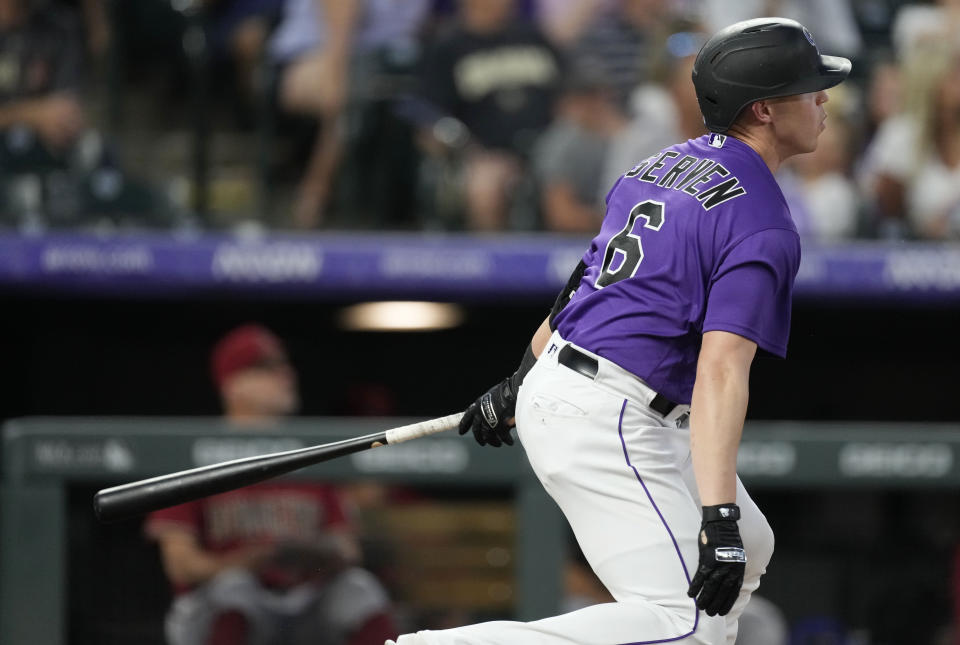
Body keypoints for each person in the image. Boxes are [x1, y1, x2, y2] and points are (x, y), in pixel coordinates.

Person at [391, 17, 849, 645]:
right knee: (682, 622)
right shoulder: (763, 219)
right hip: (610, 415)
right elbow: (721, 370)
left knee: (750, 548)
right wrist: (715, 517)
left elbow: (588, 283)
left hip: (595, 389)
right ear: (764, 109)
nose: (824, 98)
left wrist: (522, 378)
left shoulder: (661, 164)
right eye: (809, 88)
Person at [146, 324, 397, 645]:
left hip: (300, 603)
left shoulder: (307, 451)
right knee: (235, 589)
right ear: (232, 384)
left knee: (357, 588)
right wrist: (245, 560)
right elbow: (179, 564)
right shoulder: (197, 451)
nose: (286, 374)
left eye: (284, 364)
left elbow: (348, 548)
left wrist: (308, 553)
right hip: (220, 608)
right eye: (267, 367)